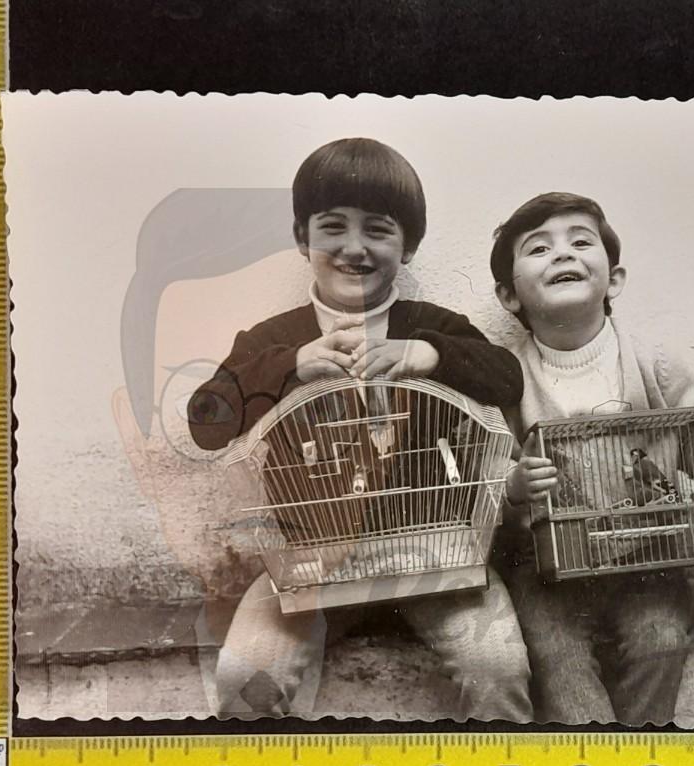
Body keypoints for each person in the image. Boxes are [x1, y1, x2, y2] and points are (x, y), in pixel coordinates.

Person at [187, 138, 532, 722]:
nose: (354, 248)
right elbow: (204, 422)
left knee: (497, 666)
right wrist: (289, 366)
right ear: (303, 239)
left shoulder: (435, 325)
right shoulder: (272, 339)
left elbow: (507, 378)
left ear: (409, 246)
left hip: (436, 554)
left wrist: (429, 353)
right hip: (307, 566)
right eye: (332, 228)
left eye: (378, 229)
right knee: (245, 674)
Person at [490, 192, 694, 725]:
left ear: (615, 280)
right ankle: (591, 759)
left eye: (581, 242)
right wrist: (514, 485)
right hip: (546, 566)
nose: (563, 254)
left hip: (647, 553)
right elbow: (488, 469)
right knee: (555, 652)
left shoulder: (651, 358)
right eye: (538, 248)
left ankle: (635, 757)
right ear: (508, 296)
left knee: (661, 637)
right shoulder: (504, 377)